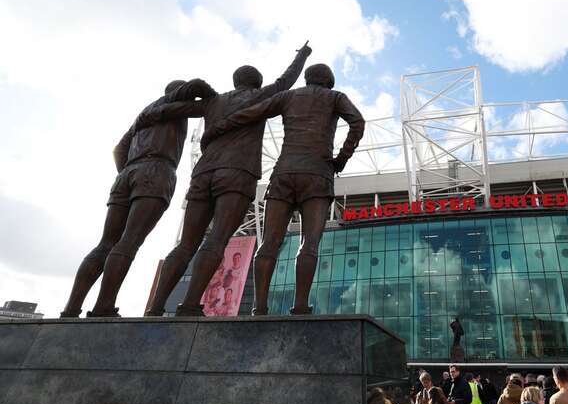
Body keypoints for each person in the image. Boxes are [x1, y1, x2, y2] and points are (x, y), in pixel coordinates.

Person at [143, 42, 312, 317]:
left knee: (186, 243)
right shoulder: (260, 96)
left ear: (235, 81)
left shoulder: (213, 102)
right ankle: (189, 305)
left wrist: (149, 114)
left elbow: (176, 108)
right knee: (218, 239)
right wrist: (303, 55)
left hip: (203, 172)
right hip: (237, 172)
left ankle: (156, 306)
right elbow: (286, 80)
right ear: (256, 83)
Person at [202, 62, 364, 316]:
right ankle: (300, 305)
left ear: (308, 78)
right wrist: (341, 159)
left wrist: (218, 128)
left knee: (268, 243)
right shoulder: (335, 97)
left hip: (283, 174)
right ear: (328, 80)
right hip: (318, 175)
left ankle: (259, 306)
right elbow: (358, 122)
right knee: (309, 244)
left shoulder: (288, 97)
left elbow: (251, 113)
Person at [60, 78, 217, 317]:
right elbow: (195, 85)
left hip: (126, 174)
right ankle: (104, 305)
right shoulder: (172, 104)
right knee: (129, 242)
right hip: (156, 171)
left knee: (105, 243)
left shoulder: (144, 114)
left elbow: (119, 148)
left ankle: (71, 308)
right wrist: (215, 99)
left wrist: (129, 170)